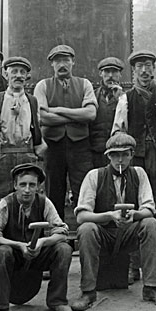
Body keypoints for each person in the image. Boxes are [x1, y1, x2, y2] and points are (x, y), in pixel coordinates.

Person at [70, 133, 156, 311]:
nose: (120, 160)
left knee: (151, 224)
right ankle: (88, 291)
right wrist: (109, 216)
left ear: (132, 155)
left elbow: (149, 209)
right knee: (86, 229)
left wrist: (135, 215)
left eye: (125, 154)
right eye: (115, 155)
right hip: (103, 234)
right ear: (108, 156)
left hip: (129, 233)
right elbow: (81, 216)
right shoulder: (94, 176)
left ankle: (151, 287)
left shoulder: (139, 173)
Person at [112, 50, 156, 286]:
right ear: (134, 71)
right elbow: (118, 132)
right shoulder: (126, 99)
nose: (144, 70)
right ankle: (134, 266)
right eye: (139, 66)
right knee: (132, 209)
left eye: (148, 65)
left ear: (153, 68)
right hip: (135, 158)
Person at [0, 56, 45, 294]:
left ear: (27, 76)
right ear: (6, 74)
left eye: (22, 72)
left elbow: (38, 126)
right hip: (0, 158)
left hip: (26, 156)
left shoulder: (32, 101)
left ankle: (28, 265)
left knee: (28, 209)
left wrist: (39, 146)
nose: (18, 76)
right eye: (13, 71)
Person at [0, 163, 73, 311]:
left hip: (37, 256)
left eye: (32, 185)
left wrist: (42, 242)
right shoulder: (6, 204)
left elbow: (62, 232)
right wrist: (19, 245)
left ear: (38, 187)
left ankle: (57, 301)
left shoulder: (44, 203)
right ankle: (1, 309)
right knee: (2, 252)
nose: (27, 190)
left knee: (64, 249)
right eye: (23, 184)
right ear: (15, 185)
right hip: (14, 258)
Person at [34, 44, 97, 219]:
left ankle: (84, 228)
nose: (62, 64)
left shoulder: (84, 84)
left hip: (80, 146)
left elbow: (90, 114)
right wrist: (77, 116)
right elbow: (43, 117)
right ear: (52, 64)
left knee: (83, 190)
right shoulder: (42, 86)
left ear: (73, 62)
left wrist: (58, 110)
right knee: (54, 191)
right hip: (53, 146)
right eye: (58, 61)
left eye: (66, 60)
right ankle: (57, 230)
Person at [89, 56, 126, 168]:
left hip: (118, 151)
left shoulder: (127, 98)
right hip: (95, 151)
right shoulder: (92, 95)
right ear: (101, 73)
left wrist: (120, 99)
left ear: (120, 74)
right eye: (107, 71)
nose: (110, 75)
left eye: (114, 72)